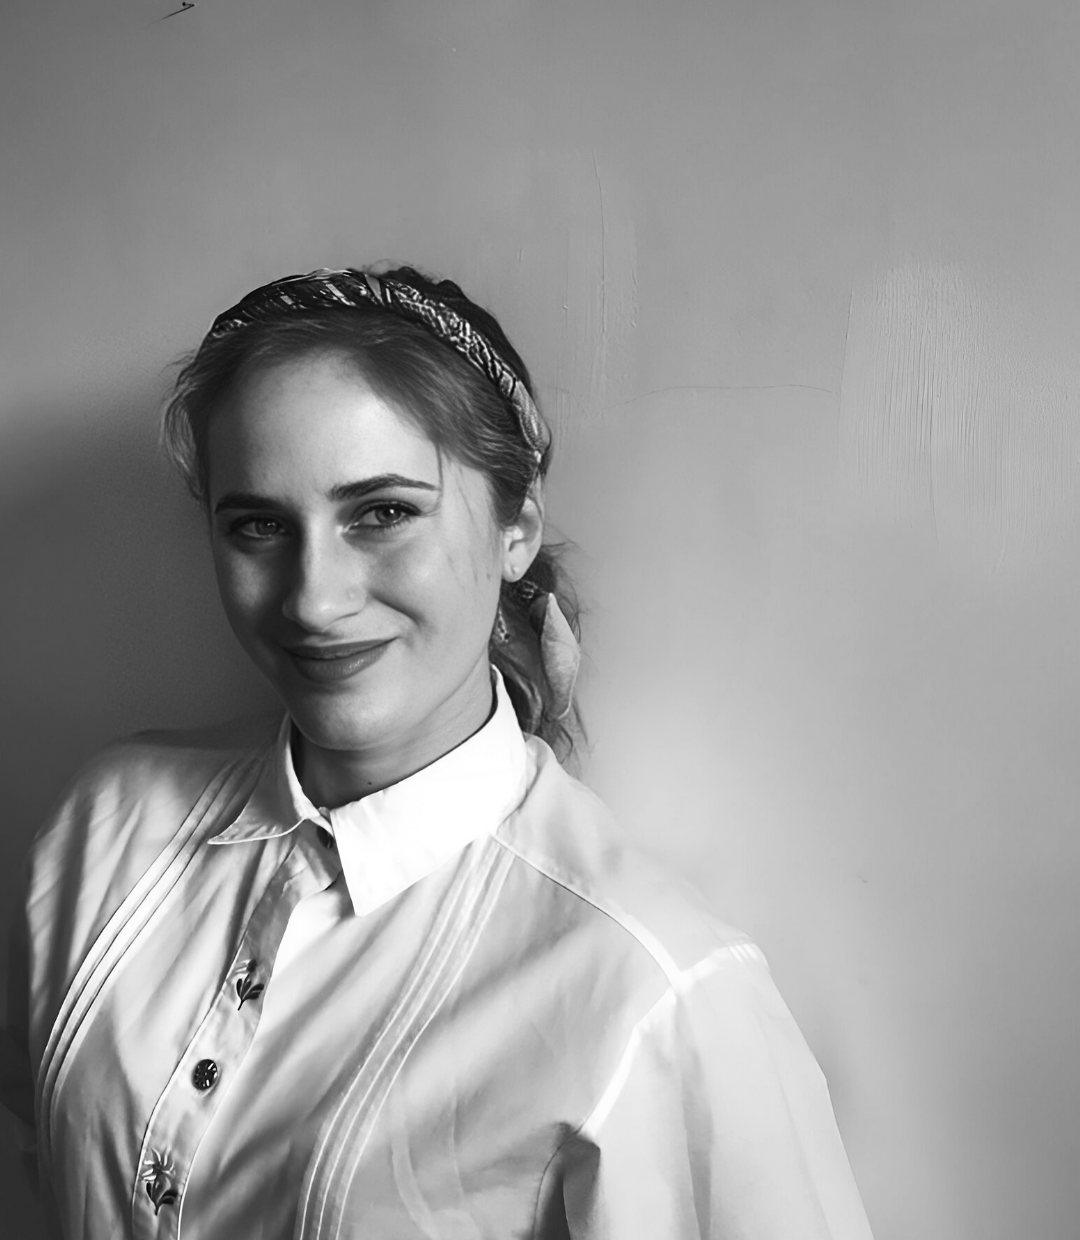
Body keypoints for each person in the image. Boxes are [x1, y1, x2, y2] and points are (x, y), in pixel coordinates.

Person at [1, 266, 874, 1238]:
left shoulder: (659, 990)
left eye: (382, 512)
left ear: (517, 529)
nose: (313, 599)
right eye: (258, 526)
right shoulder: (107, 823)